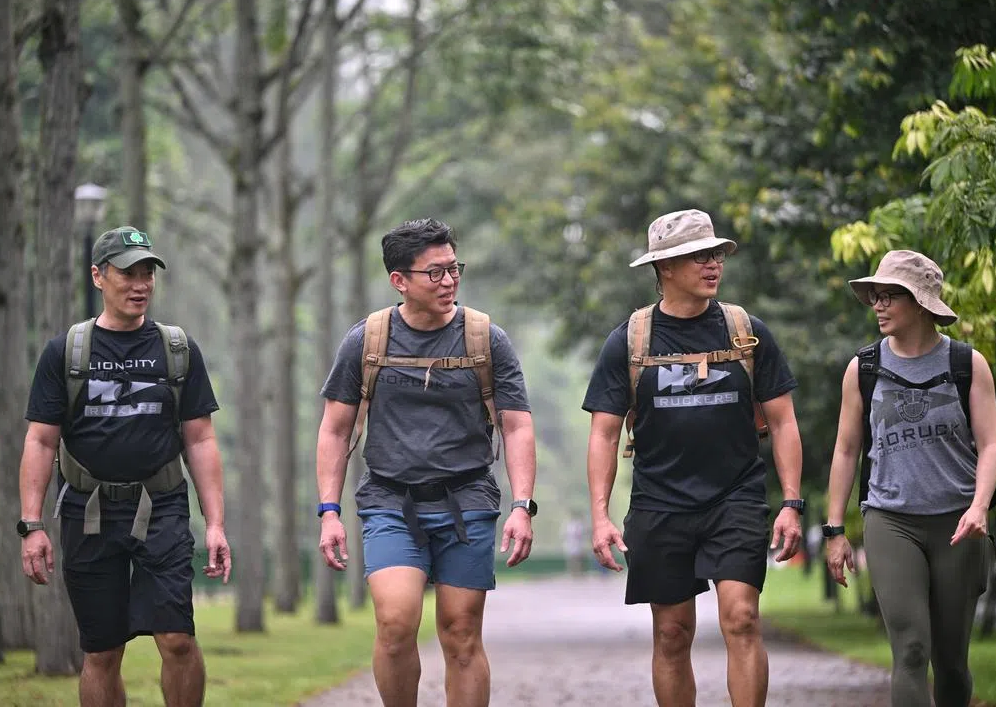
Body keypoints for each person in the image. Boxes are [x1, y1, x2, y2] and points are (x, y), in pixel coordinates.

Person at [583, 208, 805, 707]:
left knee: (742, 618)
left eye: (715, 254)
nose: (713, 265)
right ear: (664, 268)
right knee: (672, 633)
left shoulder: (746, 331)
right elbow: (603, 434)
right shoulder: (630, 340)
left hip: (736, 497)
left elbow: (785, 421)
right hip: (660, 503)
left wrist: (792, 502)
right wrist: (599, 517)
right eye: (698, 256)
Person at [315, 218, 537, 707]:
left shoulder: (485, 339)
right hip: (391, 501)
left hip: (468, 499)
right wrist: (328, 511)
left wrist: (523, 504)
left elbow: (516, 425)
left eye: (454, 268)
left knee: (461, 633)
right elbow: (335, 429)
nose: (449, 281)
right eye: (434, 273)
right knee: (395, 624)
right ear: (400, 280)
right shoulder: (366, 341)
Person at [19, 225, 231, 707]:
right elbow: (40, 439)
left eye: (147, 274)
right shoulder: (67, 352)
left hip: (163, 508)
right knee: (102, 650)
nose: (140, 285)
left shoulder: (177, 350)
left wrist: (215, 523)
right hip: (87, 511)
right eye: (127, 273)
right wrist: (31, 523)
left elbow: (199, 438)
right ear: (98, 276)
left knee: (177, 638)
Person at [823, 249, 996, 707]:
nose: (878, 306)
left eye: (889, 297)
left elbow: (992, 445)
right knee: (911, 650)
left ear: (920, 303)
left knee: (951, 661)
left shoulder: (967, 364)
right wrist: (835, 531)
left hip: (958, 524)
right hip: (891, 520)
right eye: (875, 297)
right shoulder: (862, 369)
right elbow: (846, 451)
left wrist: (979, 506)